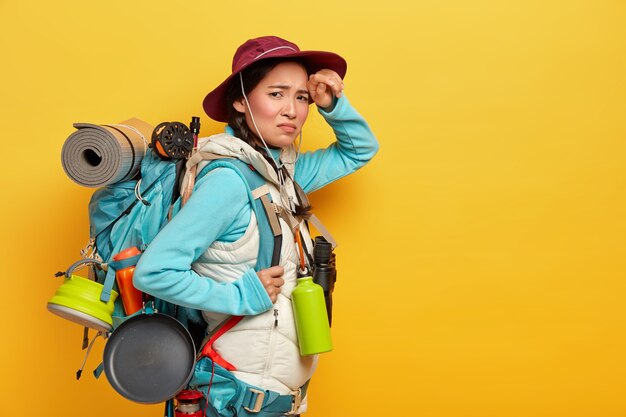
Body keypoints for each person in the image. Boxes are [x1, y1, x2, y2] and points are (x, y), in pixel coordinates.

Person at [133, 36, 379, 416]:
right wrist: (241, 296)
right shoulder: (230, 181)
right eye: (276, 94)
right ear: (241, 101)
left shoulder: (283, 175)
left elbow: (359, 150)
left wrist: (333, 105)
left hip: (276, 401)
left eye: (302, 97)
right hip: (234, 397)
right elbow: (154, 272)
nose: (292, 111)